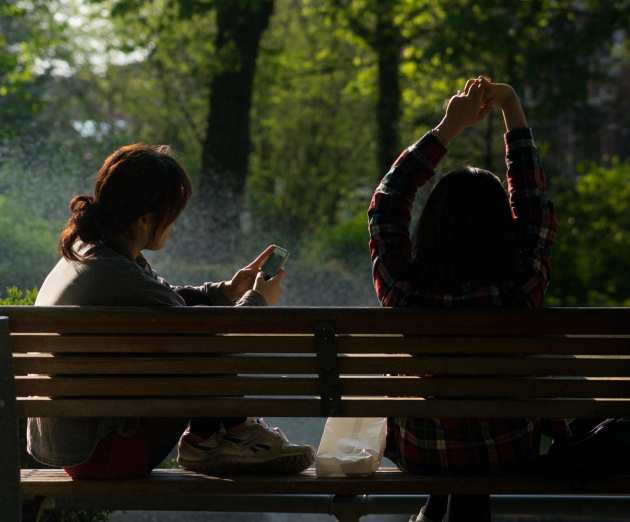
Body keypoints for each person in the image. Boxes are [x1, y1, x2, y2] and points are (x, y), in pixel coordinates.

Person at [27, 143, 315, 479]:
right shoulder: (118, 274)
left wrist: (227, 291)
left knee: (194, 336)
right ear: (146, 218)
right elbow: (204, 333)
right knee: (203, 344)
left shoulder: (91, 252)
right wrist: (258, 301)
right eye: (172, 215)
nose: (174, 225)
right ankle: (232, 435)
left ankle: (213, 438)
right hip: (109, 451)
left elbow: (166, 300)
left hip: (82, 445)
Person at [368, 78, 565, 521]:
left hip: (421, 450)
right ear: (503, 231)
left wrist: (447, 127)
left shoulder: (405, 290)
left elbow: (387, 202)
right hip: (506, 449)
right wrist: (511, 108)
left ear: (432, 226)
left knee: (447, 442)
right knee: (480, 445)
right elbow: (534, 207)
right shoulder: (519, 287)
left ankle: (436, 507)